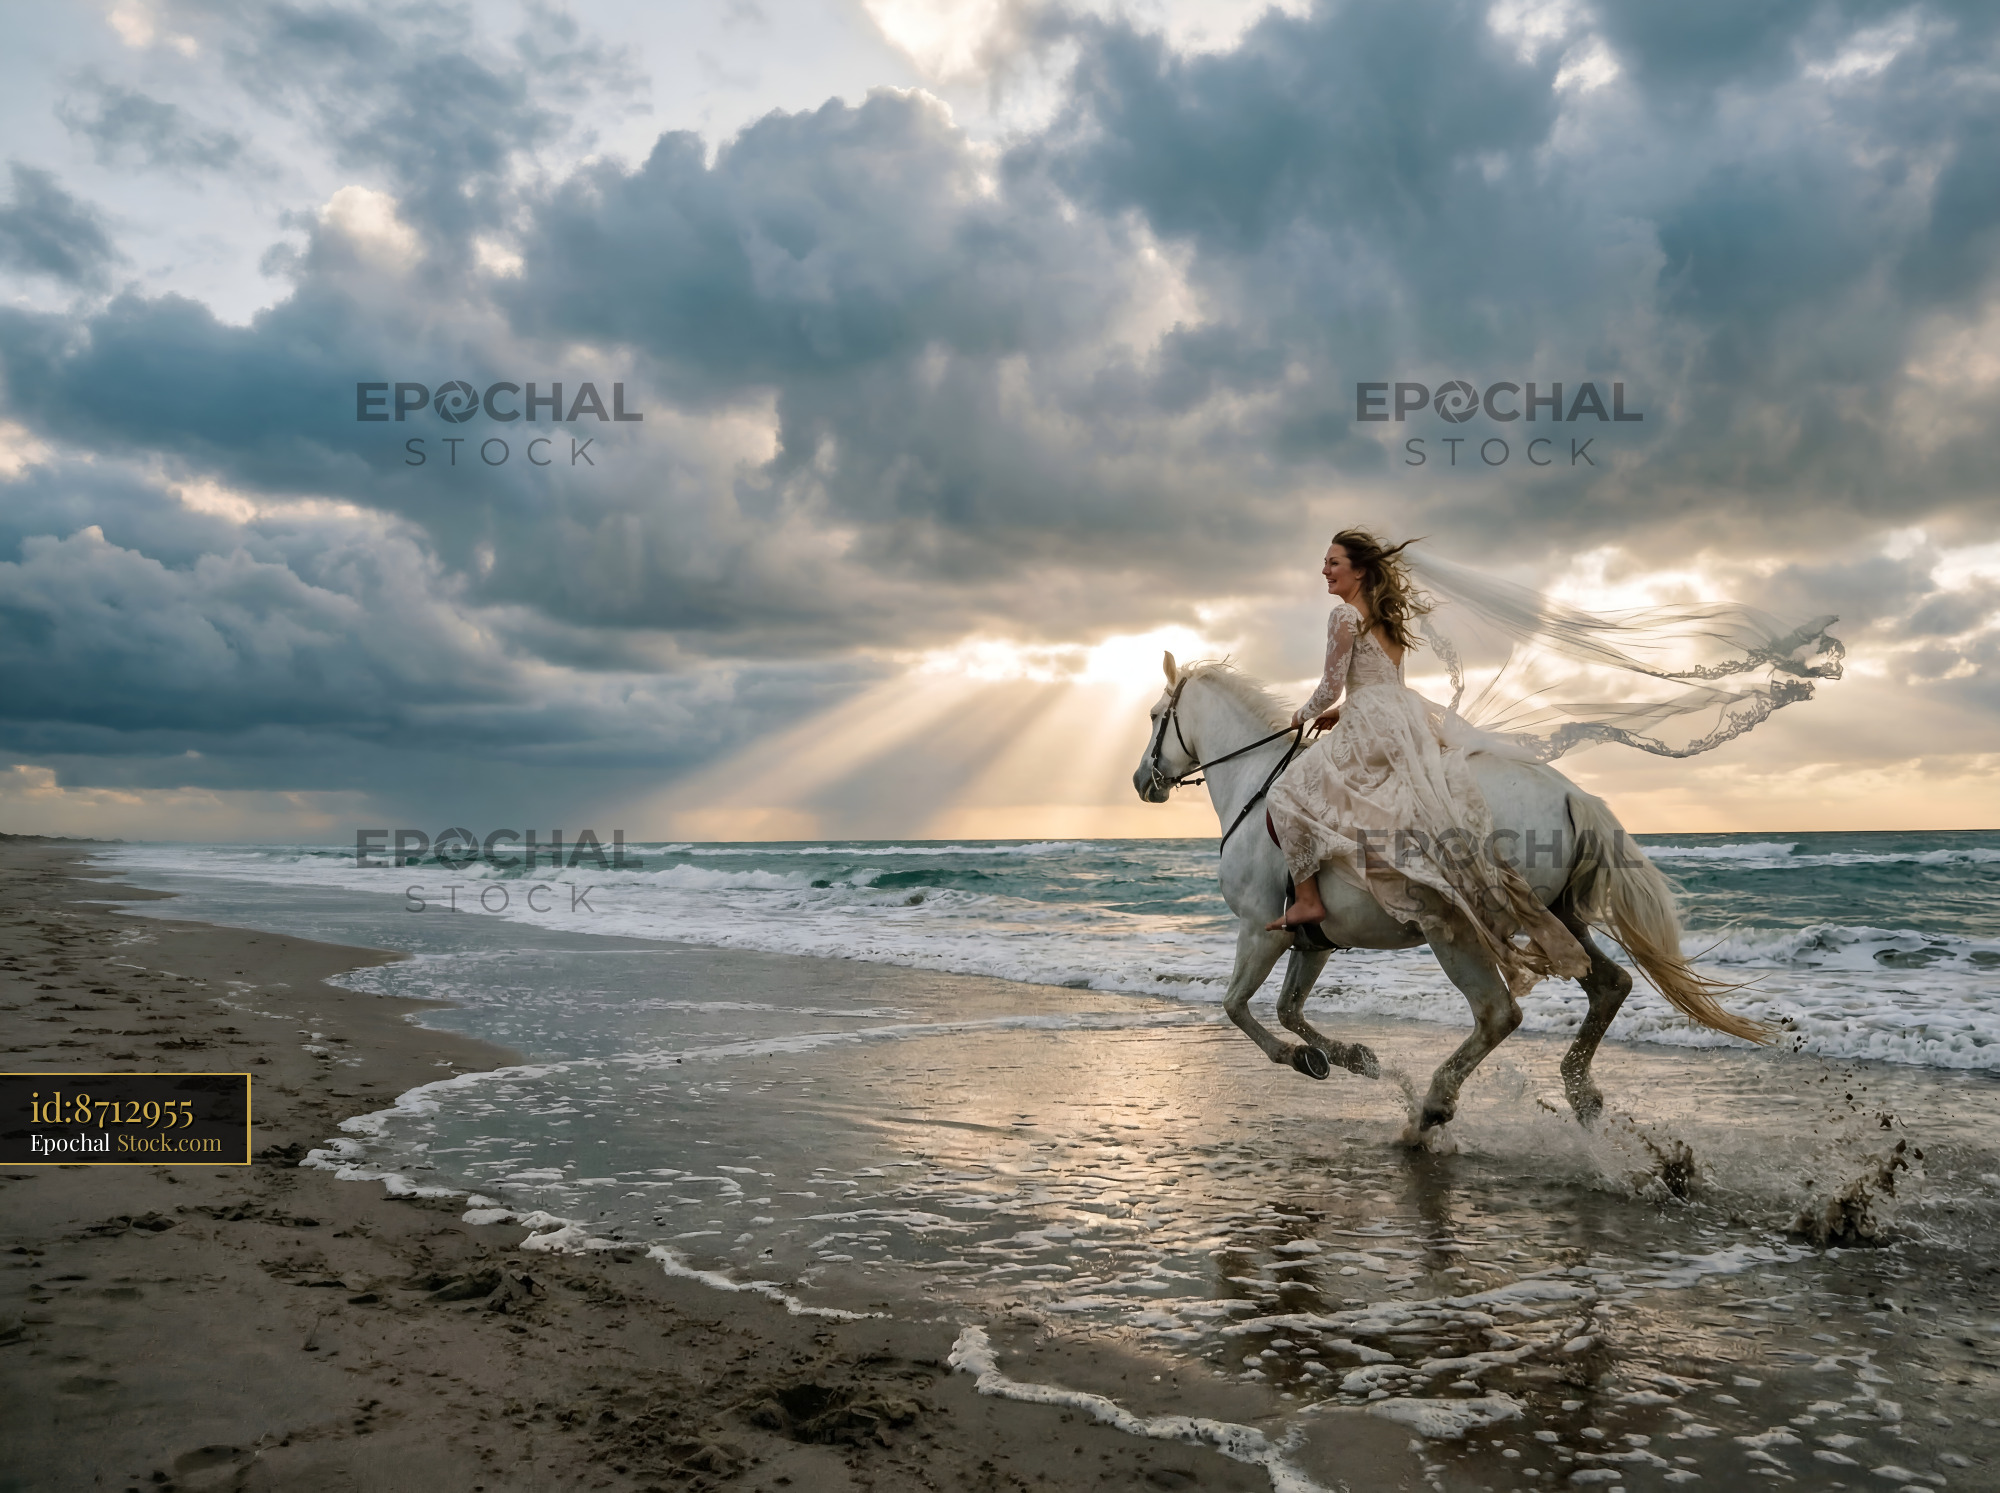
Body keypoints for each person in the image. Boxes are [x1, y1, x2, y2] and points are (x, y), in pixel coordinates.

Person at [1263, 529, 1590, 996]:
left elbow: (1331, 685)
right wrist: (1343, 709)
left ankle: (1309, 900)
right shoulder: (1384, 617)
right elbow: (1380, 681)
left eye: (1333, 562)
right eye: (1325, 562)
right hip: (1400, 717)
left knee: (1286, 793)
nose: (1325, 571)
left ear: (1359, 570)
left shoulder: (1342, 615)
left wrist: (1301, 714)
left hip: (1370, 724)